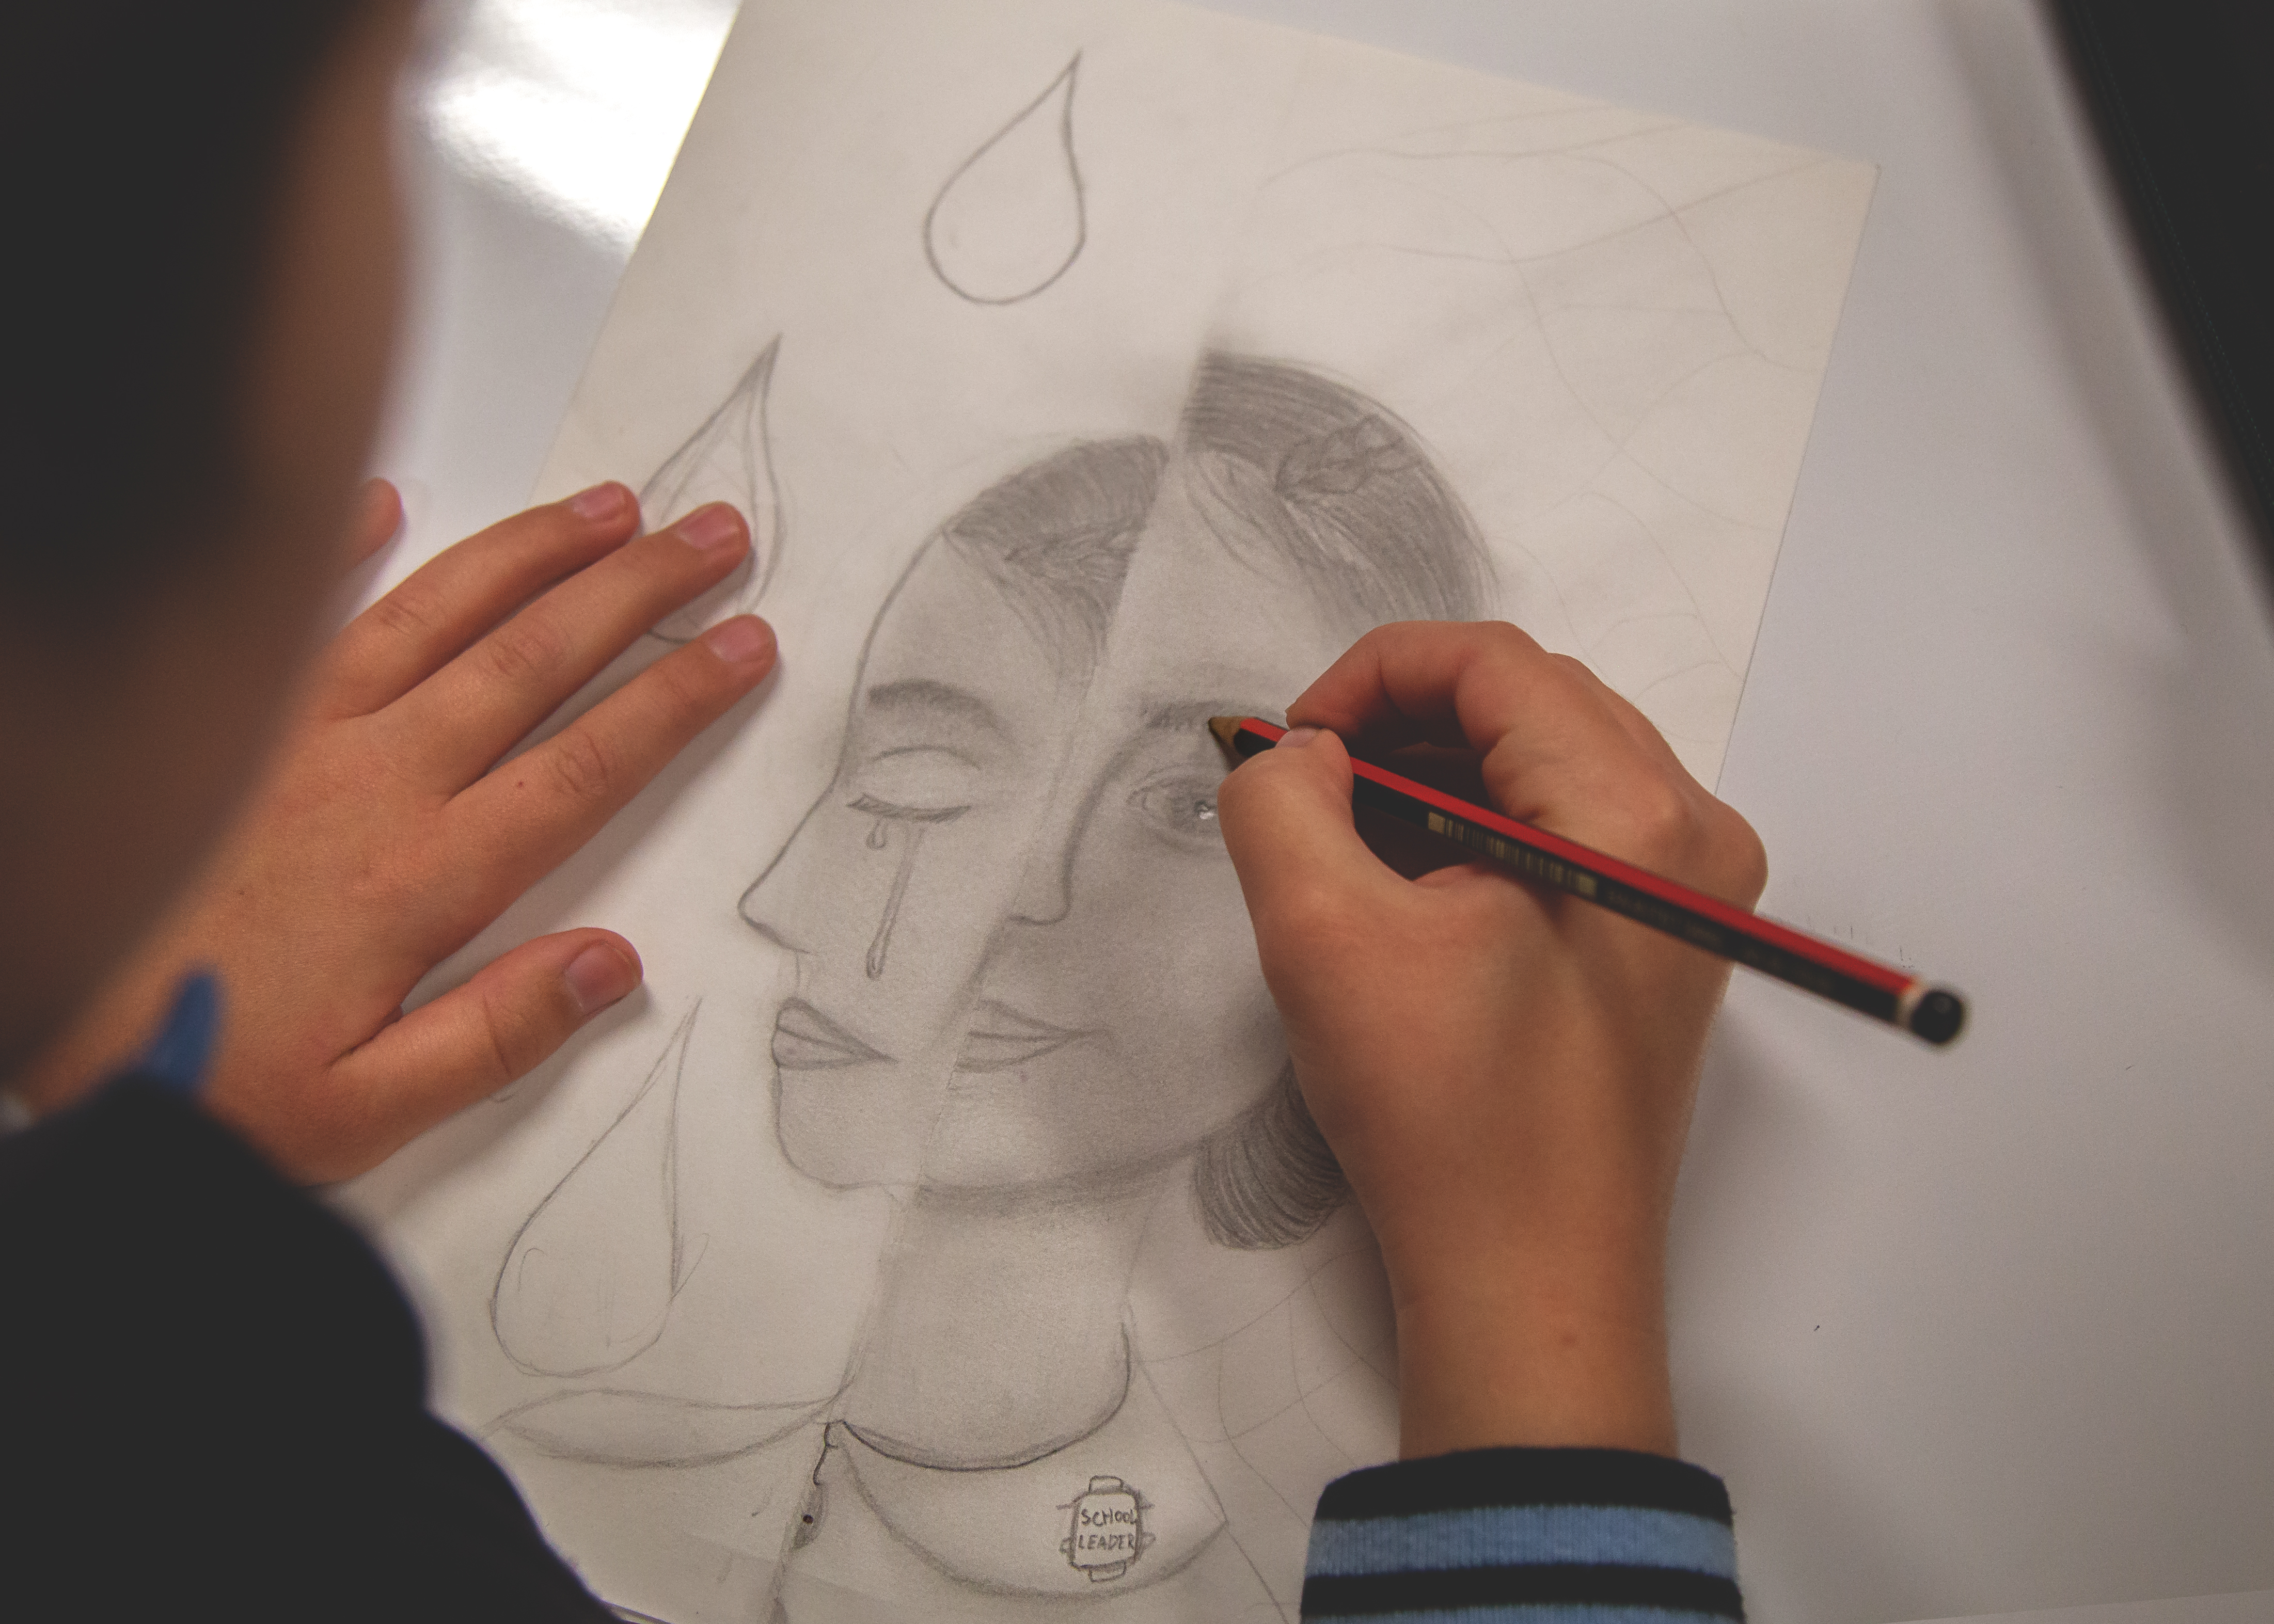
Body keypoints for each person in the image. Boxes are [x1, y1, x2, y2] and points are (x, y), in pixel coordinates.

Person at [0, 4, 1764, 1623]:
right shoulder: (240, 1471)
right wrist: (1551, 1345)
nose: (1018, 898)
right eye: (919, 775)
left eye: (1176, 802)